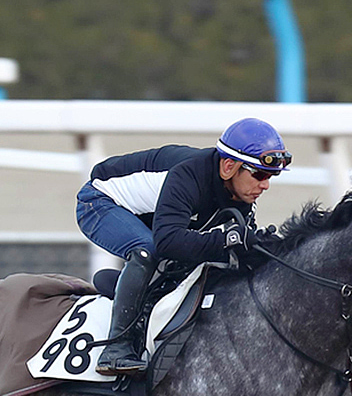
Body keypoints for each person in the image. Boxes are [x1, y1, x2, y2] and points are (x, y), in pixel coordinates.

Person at [75, 117, 292, 376]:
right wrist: (227, 239)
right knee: (147, 251)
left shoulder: (240, 194)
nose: (265, 185)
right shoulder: (188, 176)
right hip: (98, 202)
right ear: (229, 167)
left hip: (148, 215)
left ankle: (127, 289)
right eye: (259, 174)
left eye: (271, 176)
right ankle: (115, 350)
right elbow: (169, 242)